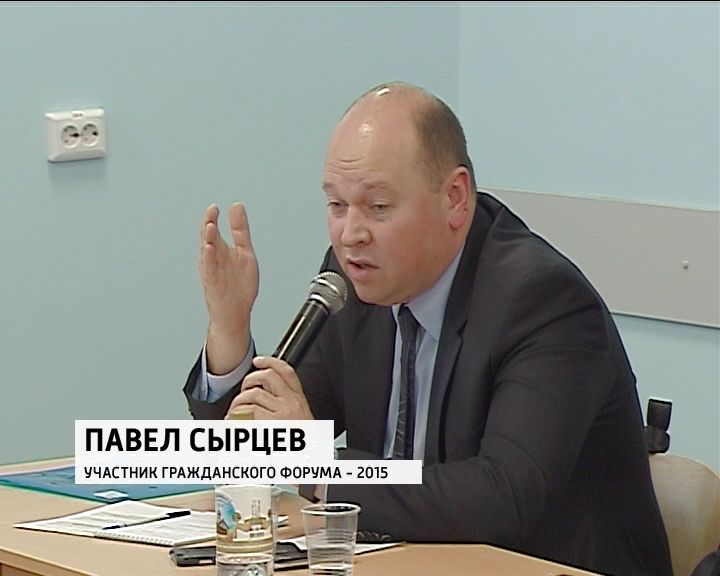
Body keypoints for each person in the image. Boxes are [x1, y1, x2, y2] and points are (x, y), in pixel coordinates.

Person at [184, 82, 672, 575]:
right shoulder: (355, 279)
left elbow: (504, 497)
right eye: (336, 206)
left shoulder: (542, 300)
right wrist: (229, 330)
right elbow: (258, 446)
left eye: (378, 207)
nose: (350, 234)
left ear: (455, 199)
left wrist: (321, 466)